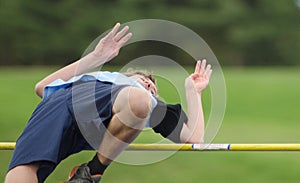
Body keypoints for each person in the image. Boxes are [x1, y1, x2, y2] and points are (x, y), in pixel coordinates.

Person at [5, 22, 212, 183]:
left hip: (108, 116)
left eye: (154, 88)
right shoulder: (105, 79)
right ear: (125, 76)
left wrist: (193, 93)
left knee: (141, 102)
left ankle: (91, 172)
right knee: (22, 172)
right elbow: (42, 88)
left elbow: (196, 139)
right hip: (61, 105)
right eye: (144, 79)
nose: (149, 85)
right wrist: (96, 57)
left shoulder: (150, 104)